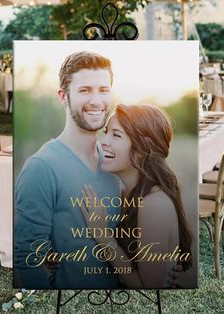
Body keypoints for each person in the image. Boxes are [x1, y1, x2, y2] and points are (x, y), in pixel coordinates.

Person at [15, 51, 182, 289]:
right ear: (63, 97)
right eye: (84, 90)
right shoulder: (41, 168)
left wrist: (167, 267)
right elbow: (27, 259)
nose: (96, 101)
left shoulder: (116, 163)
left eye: (103, 90)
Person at [81, 103, 192, 288]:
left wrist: (104, 237)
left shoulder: (154, 205)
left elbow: (149, 289)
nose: (103, 141)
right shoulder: (124, 191)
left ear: (142, 150)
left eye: (116, 135)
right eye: (106, 132)